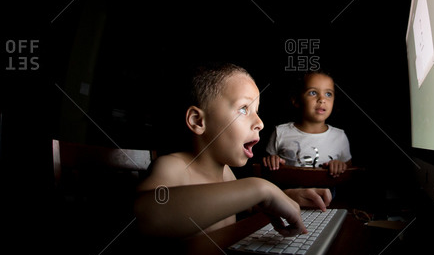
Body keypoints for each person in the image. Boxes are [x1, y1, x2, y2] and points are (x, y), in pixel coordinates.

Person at [134, 63, 332, 238]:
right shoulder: (172, 167)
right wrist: (260, 188)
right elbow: (143, 215)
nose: (260, 123)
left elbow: (245, 204)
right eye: (244, 109)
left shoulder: (227, 174)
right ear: (197, 120)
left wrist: (287, 196)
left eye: (257, 111)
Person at [262, 70, 352, 177]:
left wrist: (339, 166)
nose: (322, 99)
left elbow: (349, 171)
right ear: (296, 100)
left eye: (328, 94)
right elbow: (265, 166)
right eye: (313, 92)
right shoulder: (280, 132)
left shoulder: (339, 136)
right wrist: (272, 160)